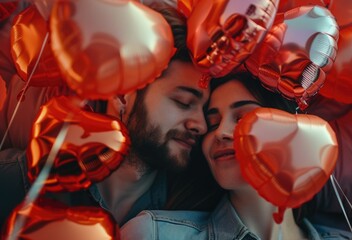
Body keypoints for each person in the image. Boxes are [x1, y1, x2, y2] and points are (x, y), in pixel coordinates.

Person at [0, 3, 223, 228]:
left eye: (206, 112)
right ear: (122, 95)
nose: (201, 125)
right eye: (183, 102)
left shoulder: (196, 211)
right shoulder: (16, 183)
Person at [121, 71, 352, 239]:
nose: (221, 133)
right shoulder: (154, 234)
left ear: (291, 129)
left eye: (244, 118)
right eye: (212, 123)